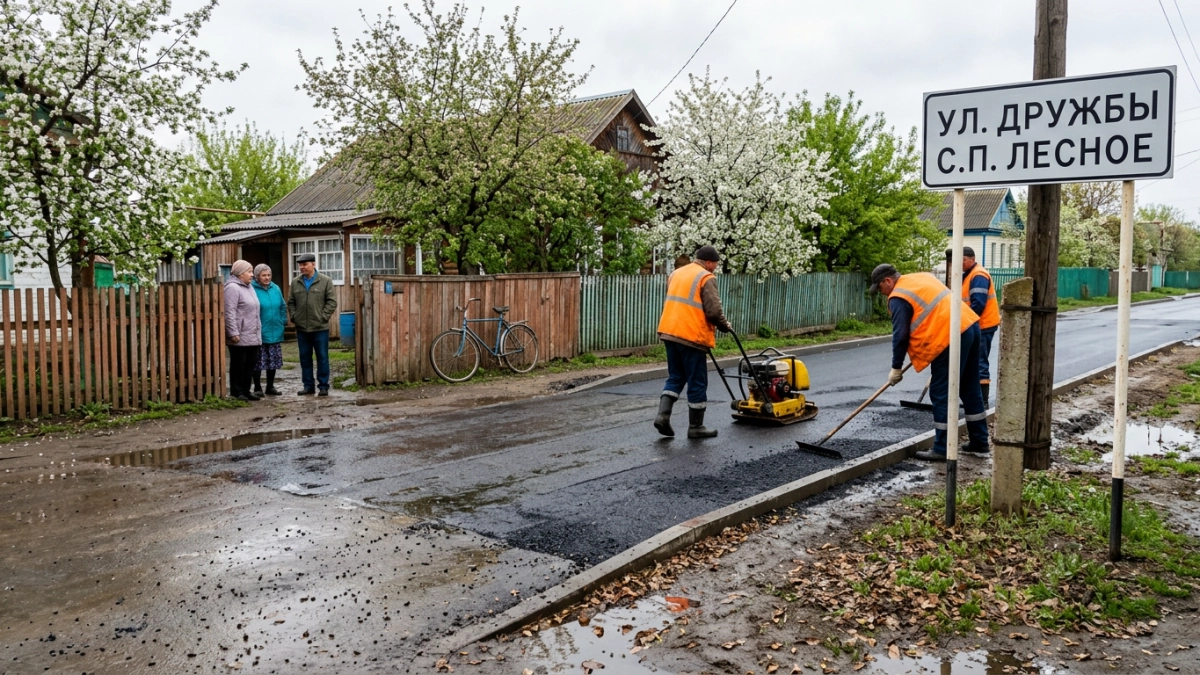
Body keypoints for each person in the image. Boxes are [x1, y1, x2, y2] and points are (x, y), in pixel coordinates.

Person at [869, 263, 988, 461]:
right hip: (969, 326)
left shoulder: (899, 296)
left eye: (880, 288)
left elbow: (900, 335)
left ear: (887, 281)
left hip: (949, 336)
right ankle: (980, 443)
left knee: (941, 392)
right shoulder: (921, 278)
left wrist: (896, 367)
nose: (882, 293)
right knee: (970, 388)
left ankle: (942, 449)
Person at [654, 245, 735, 439]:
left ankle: (662, 416)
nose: (715, 267)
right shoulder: (705, 277)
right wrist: (725, 326)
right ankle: (696, 427)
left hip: (669, 331)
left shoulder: (676, 273)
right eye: (715, 264)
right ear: (708, 262)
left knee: (675, 376)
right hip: (691, 336)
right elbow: (714, 311)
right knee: (697, 380)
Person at [287, 252, 338, 396]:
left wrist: (323, 317)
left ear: (313, 264)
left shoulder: (325, 281)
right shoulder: (296, 282)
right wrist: (295, 316)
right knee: (305, 358)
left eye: (305, 265)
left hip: (320, 328)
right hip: (302, 328)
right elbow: (291, 302)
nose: (302, 268)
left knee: (322, 357)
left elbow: (332, 301)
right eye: (300, 265)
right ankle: (308, 386)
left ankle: (323, 386)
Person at [954, 247, 1000, 405]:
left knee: (979, 361)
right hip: (975, 325)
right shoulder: (969, 275)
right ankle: (975, 399)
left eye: (962, 260)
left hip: (982, 325)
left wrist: (965, 324)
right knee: (972, 361)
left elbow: (978, 304)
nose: (959, 264)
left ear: (971, 259)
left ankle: (982, 400)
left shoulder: (978, 275)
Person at [224, 260, 262, 402]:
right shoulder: (232, 288)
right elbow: (229, 312)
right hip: (239, 335)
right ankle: (237, 391)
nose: (252, 275)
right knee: (239, 365)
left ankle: (246, 390)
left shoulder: (249, 287)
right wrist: (233, 332)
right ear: (240, 274)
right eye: (249, 272)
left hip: (252, 333)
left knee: (250, 365)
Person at [251, 264, 288, 397]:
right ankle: (257, 387)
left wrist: (282, 320)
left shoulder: (275, 288)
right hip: (260, 330)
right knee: (258, 361)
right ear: (257, 276)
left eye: (268, 275)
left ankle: (270, 386)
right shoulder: (252, 289)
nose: (267, 278)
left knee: (272, 360)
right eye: (263, 275)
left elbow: (283, 306)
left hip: (275, 329)